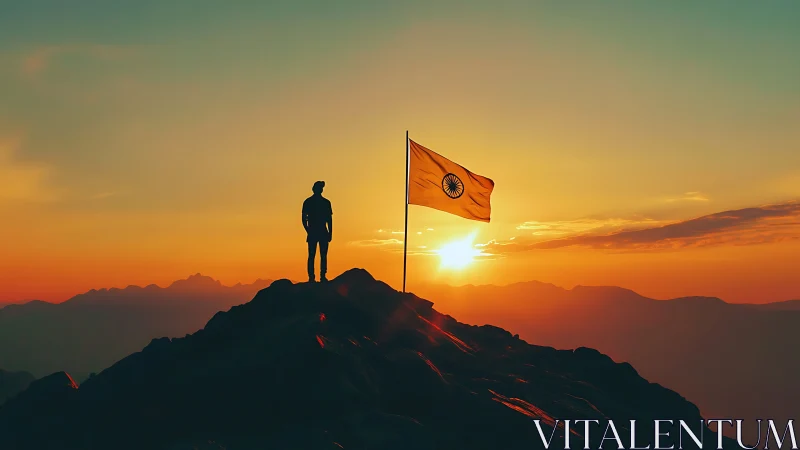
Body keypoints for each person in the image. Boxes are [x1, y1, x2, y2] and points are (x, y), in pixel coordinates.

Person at [302, 181, 333, 282]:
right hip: (320, 231)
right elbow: (329, 220)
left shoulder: (309, 202)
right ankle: (317, 277)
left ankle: (315, 277)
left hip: (317, 232)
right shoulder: (325, 203)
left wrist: (308, 230)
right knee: (316, 255)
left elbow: (329, 219)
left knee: (315, 255)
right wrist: (330, 232)